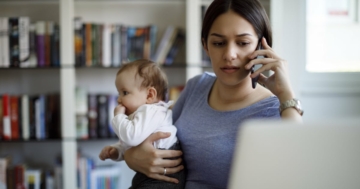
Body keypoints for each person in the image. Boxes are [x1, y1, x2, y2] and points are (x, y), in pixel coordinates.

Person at [123, 0, 303, 188]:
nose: (229, 54)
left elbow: (298, 170)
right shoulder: (196, 86)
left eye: (242, 43)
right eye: (218, 43)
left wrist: (286, 94)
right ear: (206, 46)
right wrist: (130, 156)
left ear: (261, 47)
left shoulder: (275, 109)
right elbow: (155, 134)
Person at [98, 59, 185, 189]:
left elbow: (131, 137)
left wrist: (118, 117)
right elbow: (134, 145)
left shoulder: (152, 111)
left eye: (125, 92)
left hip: (163, 180)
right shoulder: (143, 114)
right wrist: (116, 150)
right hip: (149, 176)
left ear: (150, 95)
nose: (119, 99)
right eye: (119, 93)